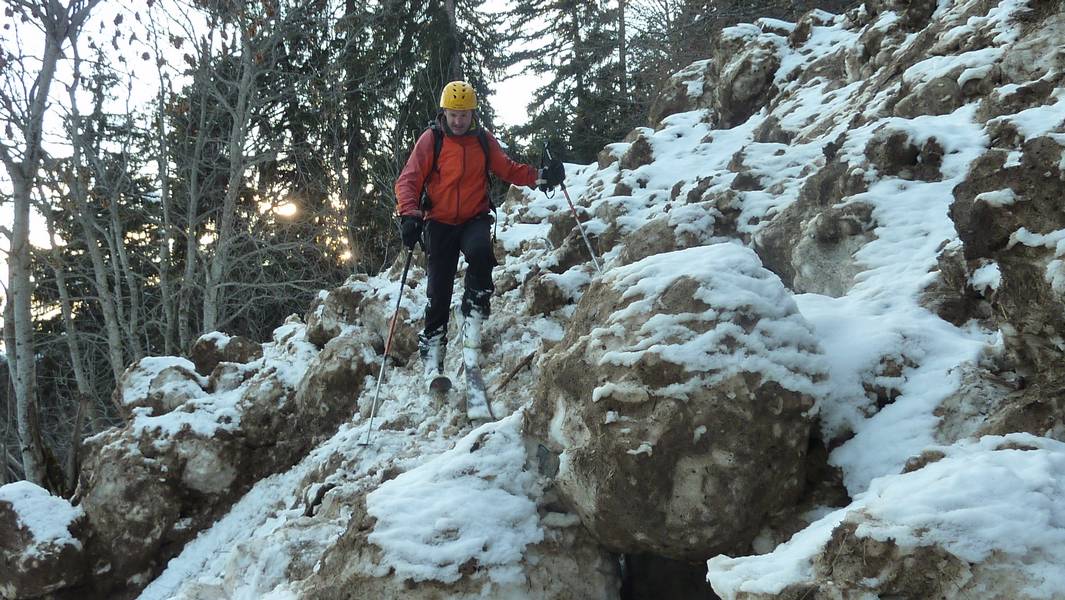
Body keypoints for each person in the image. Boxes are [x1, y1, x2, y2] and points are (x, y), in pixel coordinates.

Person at [394, 80, 565, 389]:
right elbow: (409, 178)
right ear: (444, 112)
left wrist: (542, 177)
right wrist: (409, 214)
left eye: (465, 115)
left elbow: (508, 169)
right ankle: (433, 354)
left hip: (474, 217)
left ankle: (473, 313)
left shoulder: (483, 141)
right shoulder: (431, 140)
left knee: (481, 255)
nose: (459, 121)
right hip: (439, 222)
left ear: (473, 113)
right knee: (438, 290)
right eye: (453, 114)